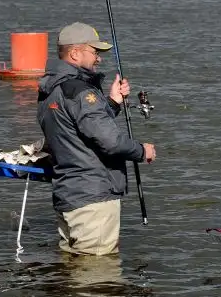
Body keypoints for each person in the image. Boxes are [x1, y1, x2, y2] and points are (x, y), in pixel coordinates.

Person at [37, 22, 156, 256]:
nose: (99, 59)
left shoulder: (49, 90)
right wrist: (142, 151)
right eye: (95, 52)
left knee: (74, 269)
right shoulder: (82, 92)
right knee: (97, 279)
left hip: (68, 196)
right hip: (93, 200)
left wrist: (111, 102)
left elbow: (80, 129)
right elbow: (110, 142)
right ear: (74, 53)